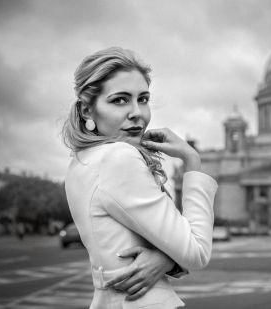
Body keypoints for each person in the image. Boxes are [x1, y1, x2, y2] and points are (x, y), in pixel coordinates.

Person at [62, 47, 217, 309]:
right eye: (119, 100)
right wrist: (192, 162)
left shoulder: (81, 163)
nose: (137, 113)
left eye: (143, 99)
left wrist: (165, 258)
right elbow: (197, 251)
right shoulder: (119, 158)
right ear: (87, 111)